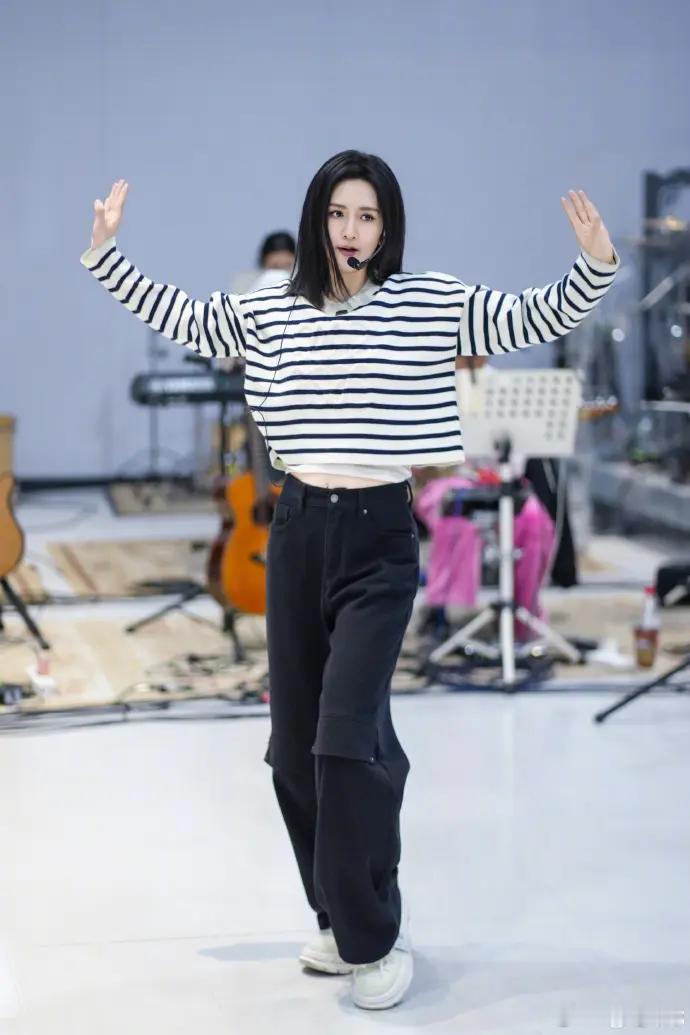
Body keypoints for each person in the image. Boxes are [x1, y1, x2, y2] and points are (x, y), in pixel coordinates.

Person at [80, 151, 619, 1010]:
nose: (351, 230)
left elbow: (525, 317)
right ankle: (336, 914)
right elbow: (183, 315)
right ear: (317, 218)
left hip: (378, 537)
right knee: (295, 747)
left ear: (387, 225)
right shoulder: (271, 304)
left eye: (367, 215)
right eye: (339, 213)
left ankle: (373, 938)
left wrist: (593, 265)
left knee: (344, 739)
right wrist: (108, 254)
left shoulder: (427, 300)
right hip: (297, 532)